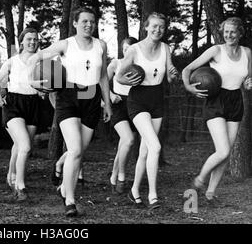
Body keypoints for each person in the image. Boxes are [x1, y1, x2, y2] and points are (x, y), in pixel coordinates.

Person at [28, 7, 112, 217]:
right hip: (68, 95)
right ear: (75, 23)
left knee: (79, 151)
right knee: (74, 149)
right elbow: (35, 57)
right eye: (84, 21)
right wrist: (33, 81)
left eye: (92, 22)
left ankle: (63, 181)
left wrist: (107, 103)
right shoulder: (66, 44)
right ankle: (70, 200)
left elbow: (103, 77)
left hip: (91, 97)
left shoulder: (100, 45)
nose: (88, 25)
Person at [182, 17, 252, 203]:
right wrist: (189, 88)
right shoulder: (216, 50)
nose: (229, 35)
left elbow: (248, 79)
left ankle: (211, 193)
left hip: (236, 101)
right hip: (216, 100)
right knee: (222, 150)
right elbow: (187, 70)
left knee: (226, 153)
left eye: (233, 32)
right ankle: (199, 180)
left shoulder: (247, 52)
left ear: (240, 33)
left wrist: (249, 82)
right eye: (226, 31)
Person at [116, 12, 178, 210]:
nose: (157, 30)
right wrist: (130, 80)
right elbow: (118, 77)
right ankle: (153, 195)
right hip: (138, 101)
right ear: (146, 27)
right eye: (154, 26)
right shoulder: (134, 49)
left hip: (157, 101)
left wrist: (173, 74)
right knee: (156, 147)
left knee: (145, 151)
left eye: (161, 26)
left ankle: (134, 190)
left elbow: (169, 76)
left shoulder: (166, 48)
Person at [0, 28, 41, 202]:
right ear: (21, 41)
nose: (32, 42)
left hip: (34, 104)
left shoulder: (42, 60)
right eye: (29, 39)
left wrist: (45, 90)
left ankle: (11, 175)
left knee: (20, 146)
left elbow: (52, 82)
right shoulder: (12, 61)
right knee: (25, 146)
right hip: (13, 104)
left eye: (35, 39)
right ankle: (20, 186)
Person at [108, 37, 139, 194]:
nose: (128, 51)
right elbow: (102, 83)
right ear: (122, 50)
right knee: (128, 139)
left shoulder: (140, 67)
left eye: (131, 48)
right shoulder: (116, 63)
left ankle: (113, 176)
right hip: (118, 104)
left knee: (125, 144)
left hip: (134, 105)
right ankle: (121, 176)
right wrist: (111, 95)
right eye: (125, 48)